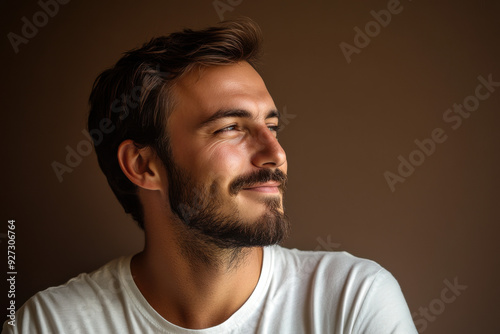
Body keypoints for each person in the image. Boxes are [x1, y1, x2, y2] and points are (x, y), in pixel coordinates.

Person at [3, 18, 418, 333]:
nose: (275, 154)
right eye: (230, 128)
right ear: (144, 166)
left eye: (271, 127)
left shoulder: (351, 301)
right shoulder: (51, 324)